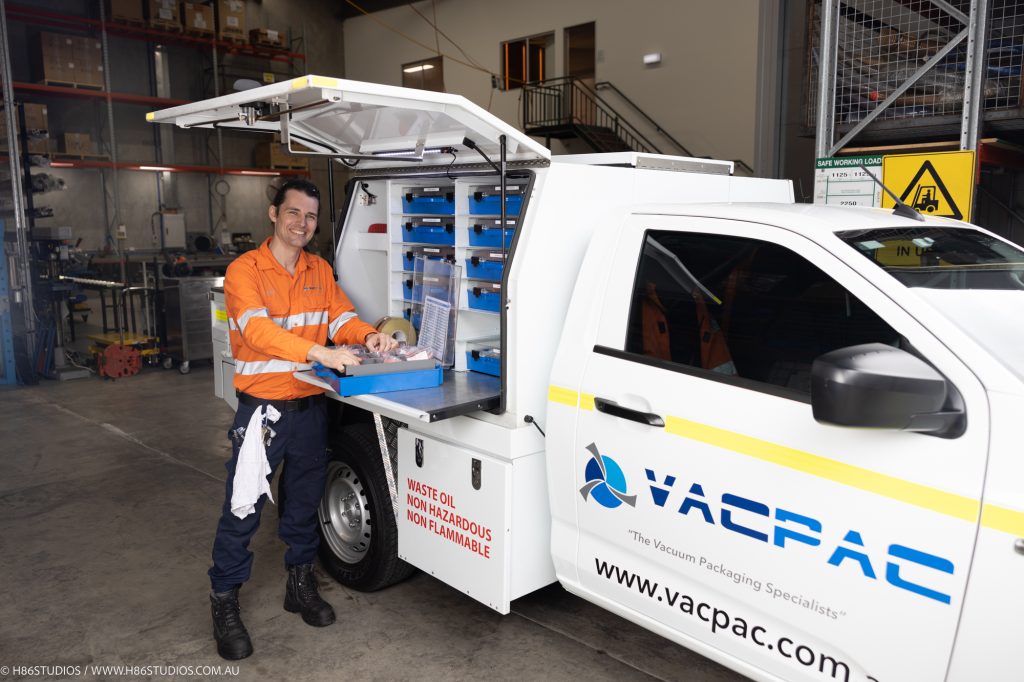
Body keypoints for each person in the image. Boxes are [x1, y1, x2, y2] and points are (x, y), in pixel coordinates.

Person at [209, 178, 397, 660]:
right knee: (243, 508)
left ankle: (299, 583)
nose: (302, 224)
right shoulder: (244, 271)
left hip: (311, 408)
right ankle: (225, 600)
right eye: (294, 213)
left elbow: (340, 319)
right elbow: (257, 331)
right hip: (263, 412)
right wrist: (319, 351)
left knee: (304, 502)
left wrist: (367, 336)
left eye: (311, 217)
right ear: (274, 214)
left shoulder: (319, 269)